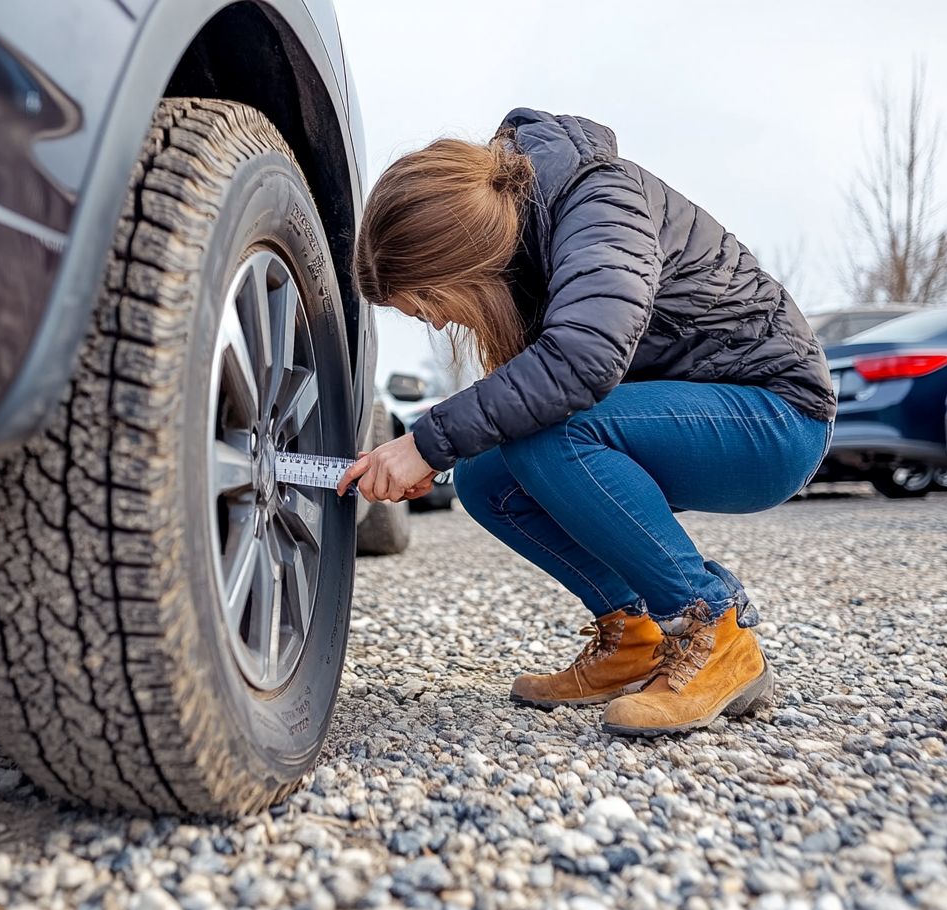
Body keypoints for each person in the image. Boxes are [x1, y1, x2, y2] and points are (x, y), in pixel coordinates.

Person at [338, 107, 836, 736]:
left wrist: (429, 442)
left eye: (431, 303)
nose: (438, 324)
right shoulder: (531, 240)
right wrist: (443, 452)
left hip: (774, 419)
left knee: (550, 434)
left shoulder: (599, 202)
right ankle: (631, 636)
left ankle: (713, 628)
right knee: (486, 479)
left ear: (463, 258)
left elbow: (581, 362)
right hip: (704, 411)